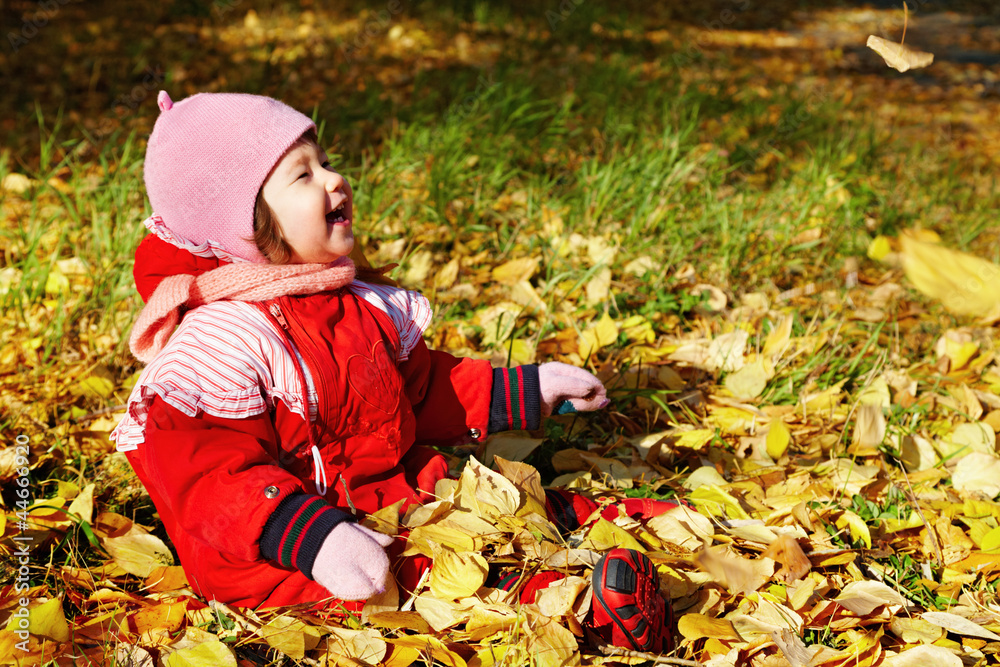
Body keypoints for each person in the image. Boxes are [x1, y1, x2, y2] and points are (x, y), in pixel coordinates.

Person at [112, 91, 675, 653]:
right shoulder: (221, 342)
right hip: (282, 549)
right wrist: (312, 537)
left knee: (493, 500)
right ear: (243, 228)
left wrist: (527, 390)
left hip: (384, 492)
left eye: (325, 161)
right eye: (302, 176)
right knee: (424, 579)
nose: (334, 180)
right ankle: (578, 608)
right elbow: (207, 478)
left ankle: (619, 523)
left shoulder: (346, 301)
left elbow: (424, 390)